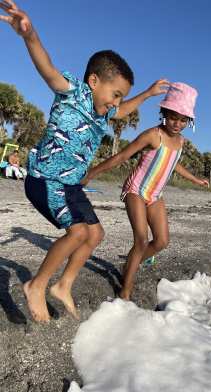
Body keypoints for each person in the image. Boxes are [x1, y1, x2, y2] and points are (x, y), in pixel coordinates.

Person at [0, 0, 169, 322]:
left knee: (95, 235)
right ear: (94, 81)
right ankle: (36, 285)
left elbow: (121, 111)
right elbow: (46, 67)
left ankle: (63, 286)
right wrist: (30, 34)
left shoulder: (102, 112)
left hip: (71, 185)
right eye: (115, 92)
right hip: (47, 179)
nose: (116, 101)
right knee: (77, 233)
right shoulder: (72, 92)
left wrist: (146, 95)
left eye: (121, 95)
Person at [83, 82, 209, 300]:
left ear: (188, 121)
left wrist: (195, 179)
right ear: (164, 114)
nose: (177, 123)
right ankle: (126, 290)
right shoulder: (153, 135)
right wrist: (91, 174)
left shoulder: (180, 142)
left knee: (161, 242)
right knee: (141, 240)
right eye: (173, 117)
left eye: (182, 120)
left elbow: (174, 163)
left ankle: (130, 264)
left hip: (155, 195)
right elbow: (122, 156)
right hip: (136, 191)